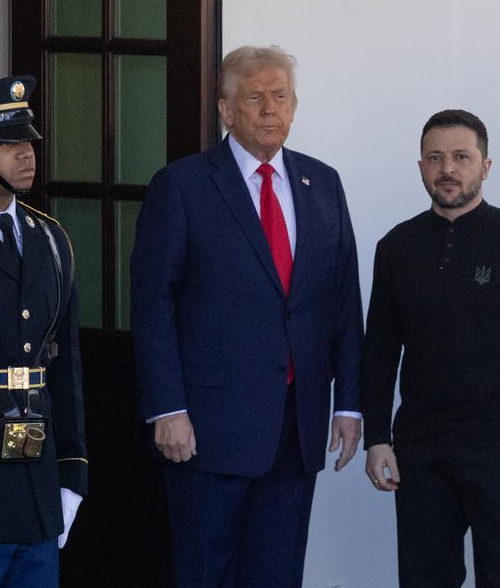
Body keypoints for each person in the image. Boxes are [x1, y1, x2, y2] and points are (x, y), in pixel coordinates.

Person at [130, 45, 363, 588]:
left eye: (279, 96)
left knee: (278, 576)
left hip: (296, 428)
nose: (268, 109)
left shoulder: (322, 183)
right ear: (225, 109)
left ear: (295, 105)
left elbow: (342, 302)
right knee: (206, 574)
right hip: (207, 432)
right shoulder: (183, 186)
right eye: (254, 97)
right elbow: (152, 305)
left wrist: (348, 403)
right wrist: (167, 406)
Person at [362, 109, 500, 587]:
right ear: (420, 167)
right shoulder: (396, 248)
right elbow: (378, 351)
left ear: (485, 166)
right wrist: (377, 438)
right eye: (435, 158)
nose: (447, 169)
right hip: (421, 452)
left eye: (461, 157)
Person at [0, 75, 87, 587]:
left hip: (36, 475)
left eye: (28, 141)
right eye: (6, 142)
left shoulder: (51, 239)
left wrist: (72, 472)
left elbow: (64, 368)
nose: (25, 154)